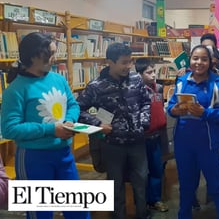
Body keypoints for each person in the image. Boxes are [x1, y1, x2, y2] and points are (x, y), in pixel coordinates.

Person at [0, 32, 90, 219]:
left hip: (64, 154)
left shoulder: (58, 79)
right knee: (40, 213)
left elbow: (72, 104)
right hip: (33, 158)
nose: (54, 58)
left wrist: (70, 121)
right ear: (34, 56)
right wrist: (51, 129)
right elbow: (9, 128)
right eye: (50, 53)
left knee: (78, 210)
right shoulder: (16, 89)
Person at [76, 43, 151, 219]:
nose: (128, 66)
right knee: (115, 185)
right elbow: (78, 109)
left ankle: (143, 214)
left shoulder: (136, 79)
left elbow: (145, 102)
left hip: (137, 142)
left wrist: (144, 121)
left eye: (130, 61)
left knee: (141, 181)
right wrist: (97, 123)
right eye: (124, 62)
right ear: (109, 62)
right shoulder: (96, 86)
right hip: (112, 145)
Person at [167, 45, 219, 219]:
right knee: (186, 186)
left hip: (209, 145)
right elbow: (170, 106)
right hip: (183, 144)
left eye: (204, 59)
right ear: (190, 60)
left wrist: (206, 113)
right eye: (195, 58)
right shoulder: (182, 81)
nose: (199, 63)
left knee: (216, 187)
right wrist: (173, 110)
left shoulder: (218, 84)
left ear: (211, 62)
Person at [135, 58, 168, 213]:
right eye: (149, 72)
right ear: (139, 74)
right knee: (142, 172)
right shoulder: (135, 91)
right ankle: (142, 203)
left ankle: (155, 199)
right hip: (141, 138)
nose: (153, 75)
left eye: (154, 71)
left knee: (157, 169)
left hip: (157, 136)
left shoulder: (159, 88)